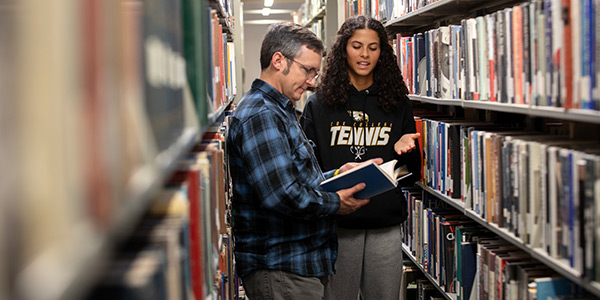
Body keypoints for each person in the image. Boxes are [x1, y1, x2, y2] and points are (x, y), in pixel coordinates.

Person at [227, 22, 377, 300]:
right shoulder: (261, 114)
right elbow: (281, 195)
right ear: (278, 61)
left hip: (296, 266)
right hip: (281, 268)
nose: (312, 81)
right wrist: (337, 203)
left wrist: (337, 175)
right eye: (307, 70)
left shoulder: (281, 108)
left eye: (315, 73)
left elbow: (295, 176)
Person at [300, 15, 422, 299]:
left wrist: (407, 148)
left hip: (385, 224)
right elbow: (308, 168)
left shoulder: (397, 103)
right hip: (338, 224)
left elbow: (412, 173)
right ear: (344, 49)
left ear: (382, 53)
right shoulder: (318, 104)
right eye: (356, 46)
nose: (364, 54)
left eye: (373, 47)